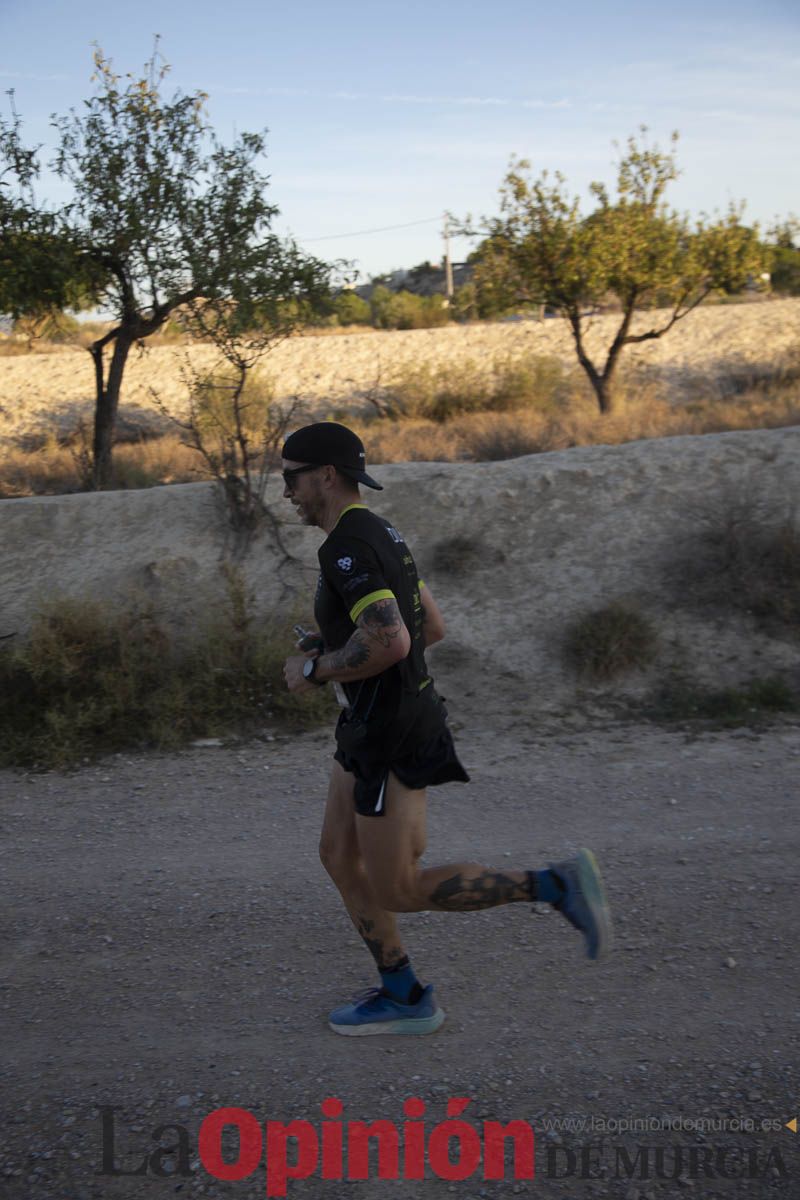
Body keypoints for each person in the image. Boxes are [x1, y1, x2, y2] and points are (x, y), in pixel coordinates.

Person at [282, 422, 611, 1036]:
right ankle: (402, 991)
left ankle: (554, 884)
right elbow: (430, 625)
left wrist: (315, 668)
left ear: (325, 476)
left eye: (290, 476)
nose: (286, 492)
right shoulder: (383, 533)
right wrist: (336, 645)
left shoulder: (345, 549)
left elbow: (393, 637)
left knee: (399, 887)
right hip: (370, 724)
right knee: (336, 854)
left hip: (389, 733)